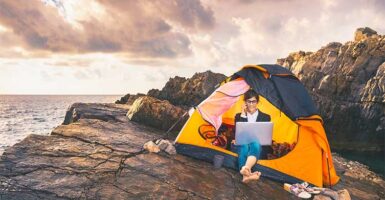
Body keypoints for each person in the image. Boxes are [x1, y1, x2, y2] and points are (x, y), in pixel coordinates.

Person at [232, 89, 271, 183]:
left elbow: (265, 135)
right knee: (244, 145)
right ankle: (246, 174)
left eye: (254, 101)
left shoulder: (266, 117)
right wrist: (243, 114)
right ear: (245, 102)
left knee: (255, 143)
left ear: (257, 102)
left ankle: (245, 171)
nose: (251, 104)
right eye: (248, 101)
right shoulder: (239, 116)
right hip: (243, 144)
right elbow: (239, 133)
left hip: (258, 146)